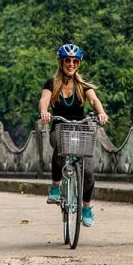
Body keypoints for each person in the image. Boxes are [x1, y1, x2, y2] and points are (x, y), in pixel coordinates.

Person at [38, 43, 108, 227]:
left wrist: (101, 113)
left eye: (74, 61)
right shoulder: (51, 84)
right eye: (67, 60)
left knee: (89, 170)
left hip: (81, 130)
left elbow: (94, 100)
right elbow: (44, 100)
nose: (71, 64)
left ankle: (86, 207)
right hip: (59, 129)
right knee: (60, 146)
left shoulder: (82, 85)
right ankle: (55, 186)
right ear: (60, 62)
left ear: (78, 63)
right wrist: (44, 112)